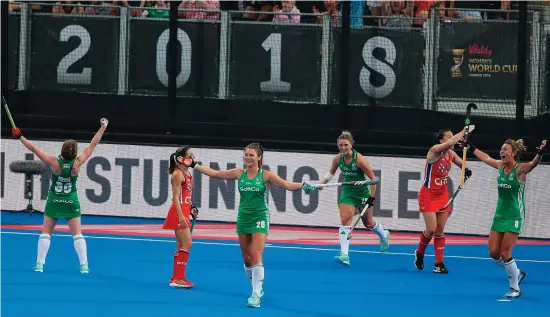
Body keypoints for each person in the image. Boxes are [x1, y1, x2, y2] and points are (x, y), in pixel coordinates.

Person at [183, 142, 315, 308]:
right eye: (246, 154)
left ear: (259, 157)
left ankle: (255, 294)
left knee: (255, 254)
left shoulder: (266, 175)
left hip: (260, 217)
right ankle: (256, 286)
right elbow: (215, 173)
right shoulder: (239, 173)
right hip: (243, 217)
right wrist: (194, 165)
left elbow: (287, 185)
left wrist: (303, 185)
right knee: (247, 260)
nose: (247, 157)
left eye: (251, 155)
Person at [11, 118, 109, 274]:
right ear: (74, 153)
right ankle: (84, 266)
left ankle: (40, 264)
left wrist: (20, 136)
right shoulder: (77, 163)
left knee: (46, 233)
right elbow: (92, 145)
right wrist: (103, 127)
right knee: (77, 235)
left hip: (54, 200)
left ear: (62, 150)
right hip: (71, 200)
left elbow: (34, 148)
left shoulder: (53, 162)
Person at [461, 138, 546, 298]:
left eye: (505, 149)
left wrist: (540, 153)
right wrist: (470, 147)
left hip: (514, 216)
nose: (502, 152)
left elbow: (533, 164)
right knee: (494, 252)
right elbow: (486, 158)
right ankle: (517, 273)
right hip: (499, 216)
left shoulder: (520, 169)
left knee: (505, 251)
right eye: (501, 149)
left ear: (513, 153)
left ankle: (515, 288)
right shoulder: (500, 166)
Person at [319, 131, 390, 266]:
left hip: (363, 193)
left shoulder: (359, 159)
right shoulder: (337, 159)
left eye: (346, 145)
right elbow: (331, 173)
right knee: (345, 219)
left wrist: (371, 198)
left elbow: (373, 180)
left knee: (368, 223)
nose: (343, 148)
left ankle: (384, 235)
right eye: (340, 145)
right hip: (348, 193)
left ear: (351, 144)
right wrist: (322, 184)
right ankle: (344, 254)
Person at [414, 126, 474, 274]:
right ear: (441, 140)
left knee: (440, 231)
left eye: (452, 136)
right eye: (449, 137)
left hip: (442, 195)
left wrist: (465, 169)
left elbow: (462, 163)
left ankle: (439, 263)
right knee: (431, 229)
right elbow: (448, 144)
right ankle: (420, 252)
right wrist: (464, 132)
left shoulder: (451, 154)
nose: (451, 139)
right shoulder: (434, 151)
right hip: (428, 195)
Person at [162, 146, 199, 288]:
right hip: (178, 213)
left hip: (184, 211)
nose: (192, 157)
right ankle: (179, 278)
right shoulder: (177, 174)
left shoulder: (188, 173)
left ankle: (175, 277)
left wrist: (191, 208)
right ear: (181, 159)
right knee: (187, 243)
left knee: (180, 245)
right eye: (189, 155)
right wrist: (181, 215)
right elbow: (176, 198)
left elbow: (186, 196)